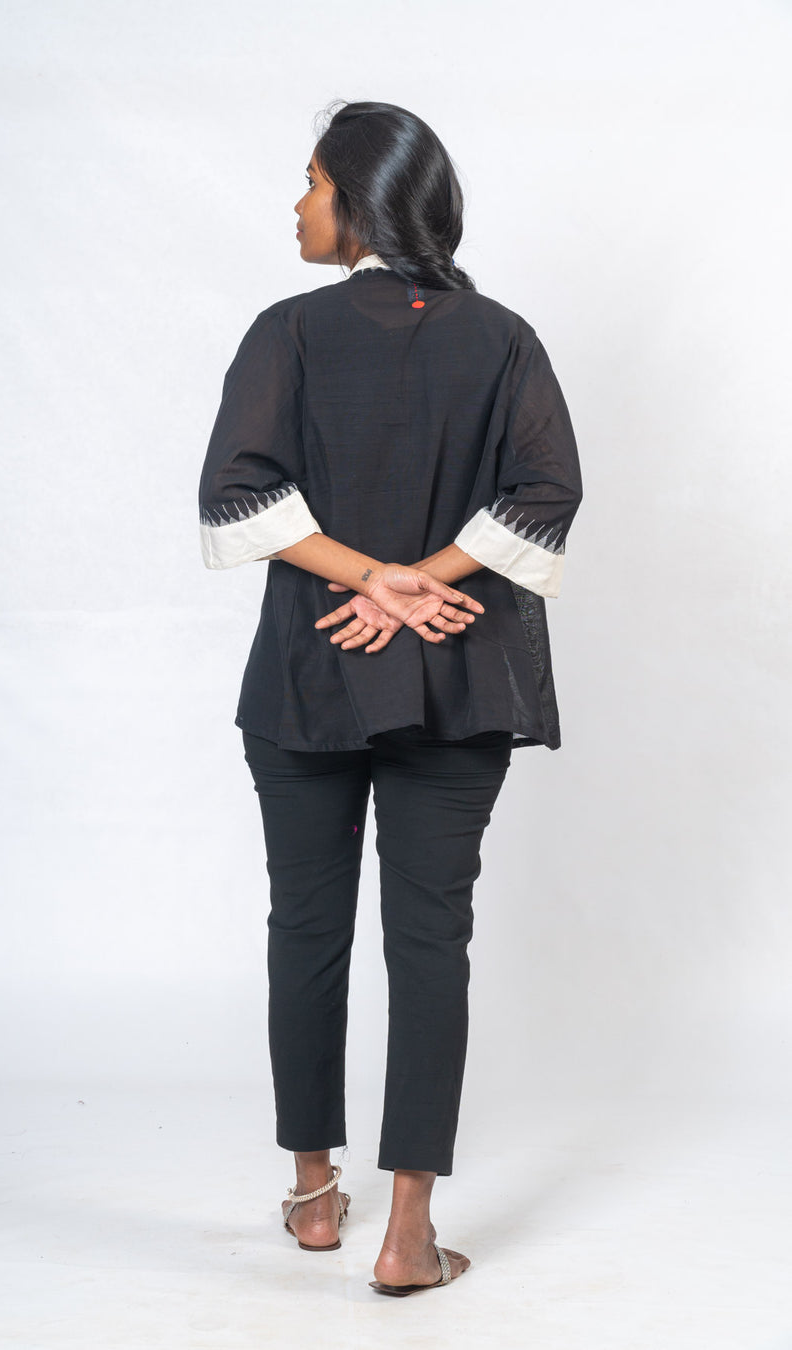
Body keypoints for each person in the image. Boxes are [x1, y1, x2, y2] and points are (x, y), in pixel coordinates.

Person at [198, 99, 582, 1296]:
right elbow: (547, 491)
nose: (298, 204)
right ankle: (409, 1233)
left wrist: (370, 580)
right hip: (459, 681)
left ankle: (316, 1196)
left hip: (309, 674)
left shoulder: (288, 333)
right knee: (431, 943)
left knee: (305, 928)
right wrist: (424, 580)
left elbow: (235, 494)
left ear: (359, 202)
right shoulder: (504, 340)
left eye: (312, 182)